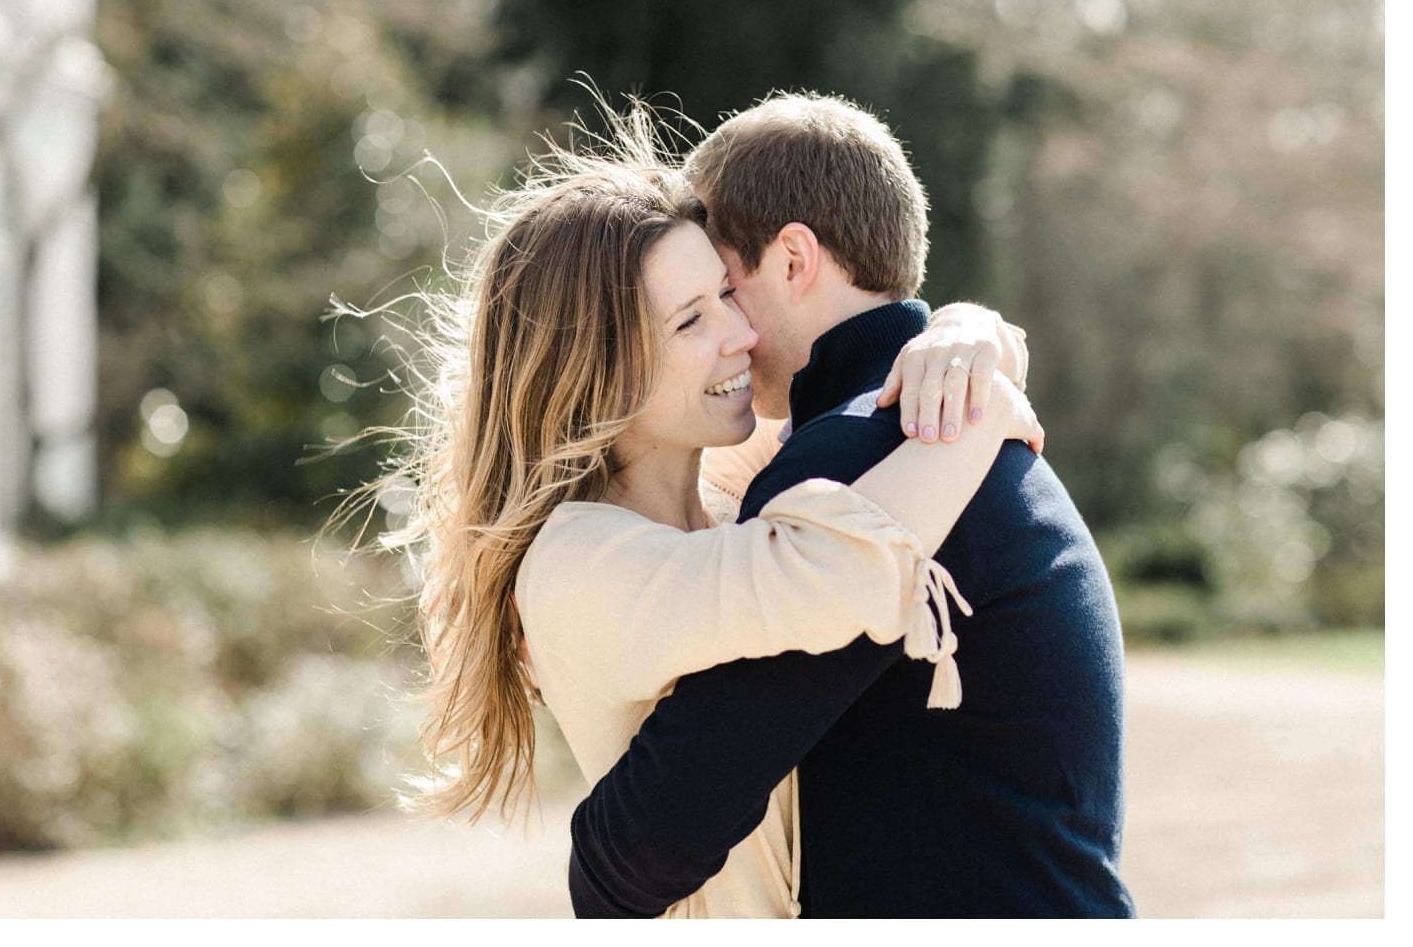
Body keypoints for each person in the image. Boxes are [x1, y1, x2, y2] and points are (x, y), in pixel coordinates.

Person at [378, 102, 1042, 918]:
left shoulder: (726, 506)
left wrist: (972, 333)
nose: (739, 332)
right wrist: (977, 414)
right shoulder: (575, 561)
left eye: (728, 292)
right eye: (692, 317)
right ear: (600, 368)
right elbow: (830, 574)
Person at [567, 93, 1136, 918]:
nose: (725, 329)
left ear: (794, 258)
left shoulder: (857, 454)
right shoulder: (932, 423)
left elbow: (648, 842)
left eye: (725, 288)